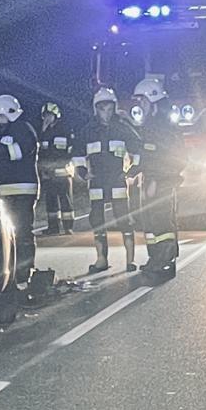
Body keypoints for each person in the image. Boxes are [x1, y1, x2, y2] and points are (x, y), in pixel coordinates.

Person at [73, 87, 140, 274]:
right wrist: (83, 171)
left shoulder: (122, 127)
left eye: (109, 108)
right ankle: (101, 259)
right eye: (102, 108)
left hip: (117, 178)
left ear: (114, 107)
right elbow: (77, 152)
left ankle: (130, 260)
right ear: (96, 109)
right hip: (97, 179)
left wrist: (131, 170)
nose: (106, 113)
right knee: (97, 218)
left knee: (123, 218)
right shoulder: (88, 130)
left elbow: (138, 148)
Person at [0, 95, 39, 290]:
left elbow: (19, 152)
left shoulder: (23, 129)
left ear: (8, 113)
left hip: (22, 189)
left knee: (22, 232)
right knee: (7, 234)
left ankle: (24, 274)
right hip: (4, 190)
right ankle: (12, 273)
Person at [131, 77, 182, 279]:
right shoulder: (152, 125)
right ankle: (156, 258)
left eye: (143, 101)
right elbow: (147, 155)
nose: (140, 105)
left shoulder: (163, 127)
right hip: (152, 180)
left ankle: (165, 261)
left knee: (162, 222)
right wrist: (135, 170)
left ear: (152, 101)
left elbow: (173, 158)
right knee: (150, 222)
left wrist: (156, 180)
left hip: (161, 182)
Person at [35, 101, 76, 236]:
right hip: (49, 174)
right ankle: (53, 227)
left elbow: (71, 151)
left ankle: (68, 227)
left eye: (49, 115)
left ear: (56, 116)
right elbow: (40, 152)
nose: (47, 118)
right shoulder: (43, 133)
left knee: (66, 201)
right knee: (51, 201)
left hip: (63, 173)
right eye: (45, 115)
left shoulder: (65, 130)